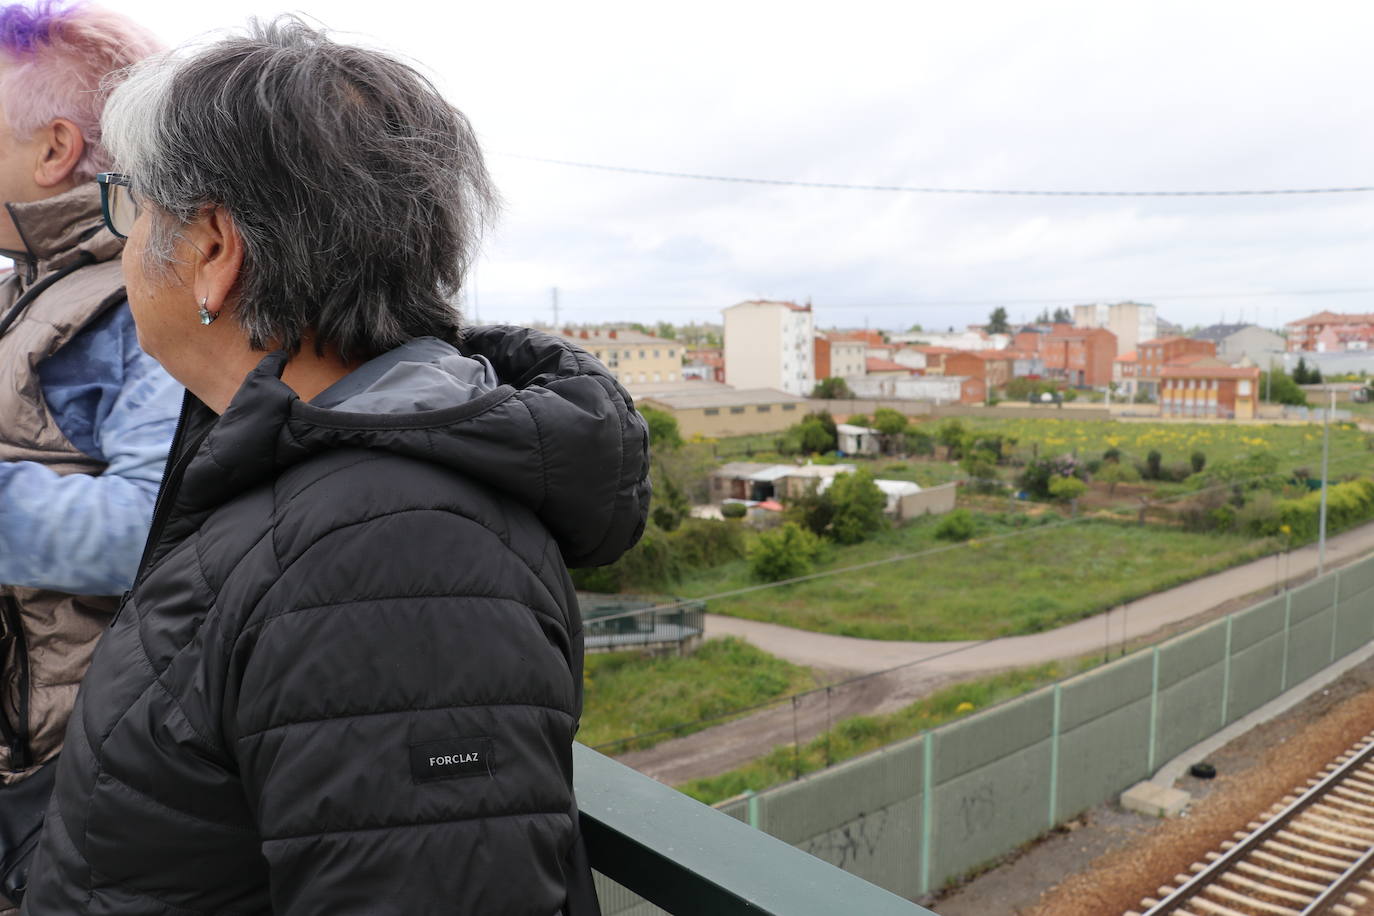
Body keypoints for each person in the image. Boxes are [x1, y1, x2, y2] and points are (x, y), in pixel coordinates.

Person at [21, 17, 649, 916]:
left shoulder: (391, 554)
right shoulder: (310, 473)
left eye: (131, 204)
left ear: (211, 250)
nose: (125, 246)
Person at [0, 3, 175, 908]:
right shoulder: (27, 285)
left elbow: (154, 529)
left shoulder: (138, 312)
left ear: (55, 149)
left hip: (72, 769)